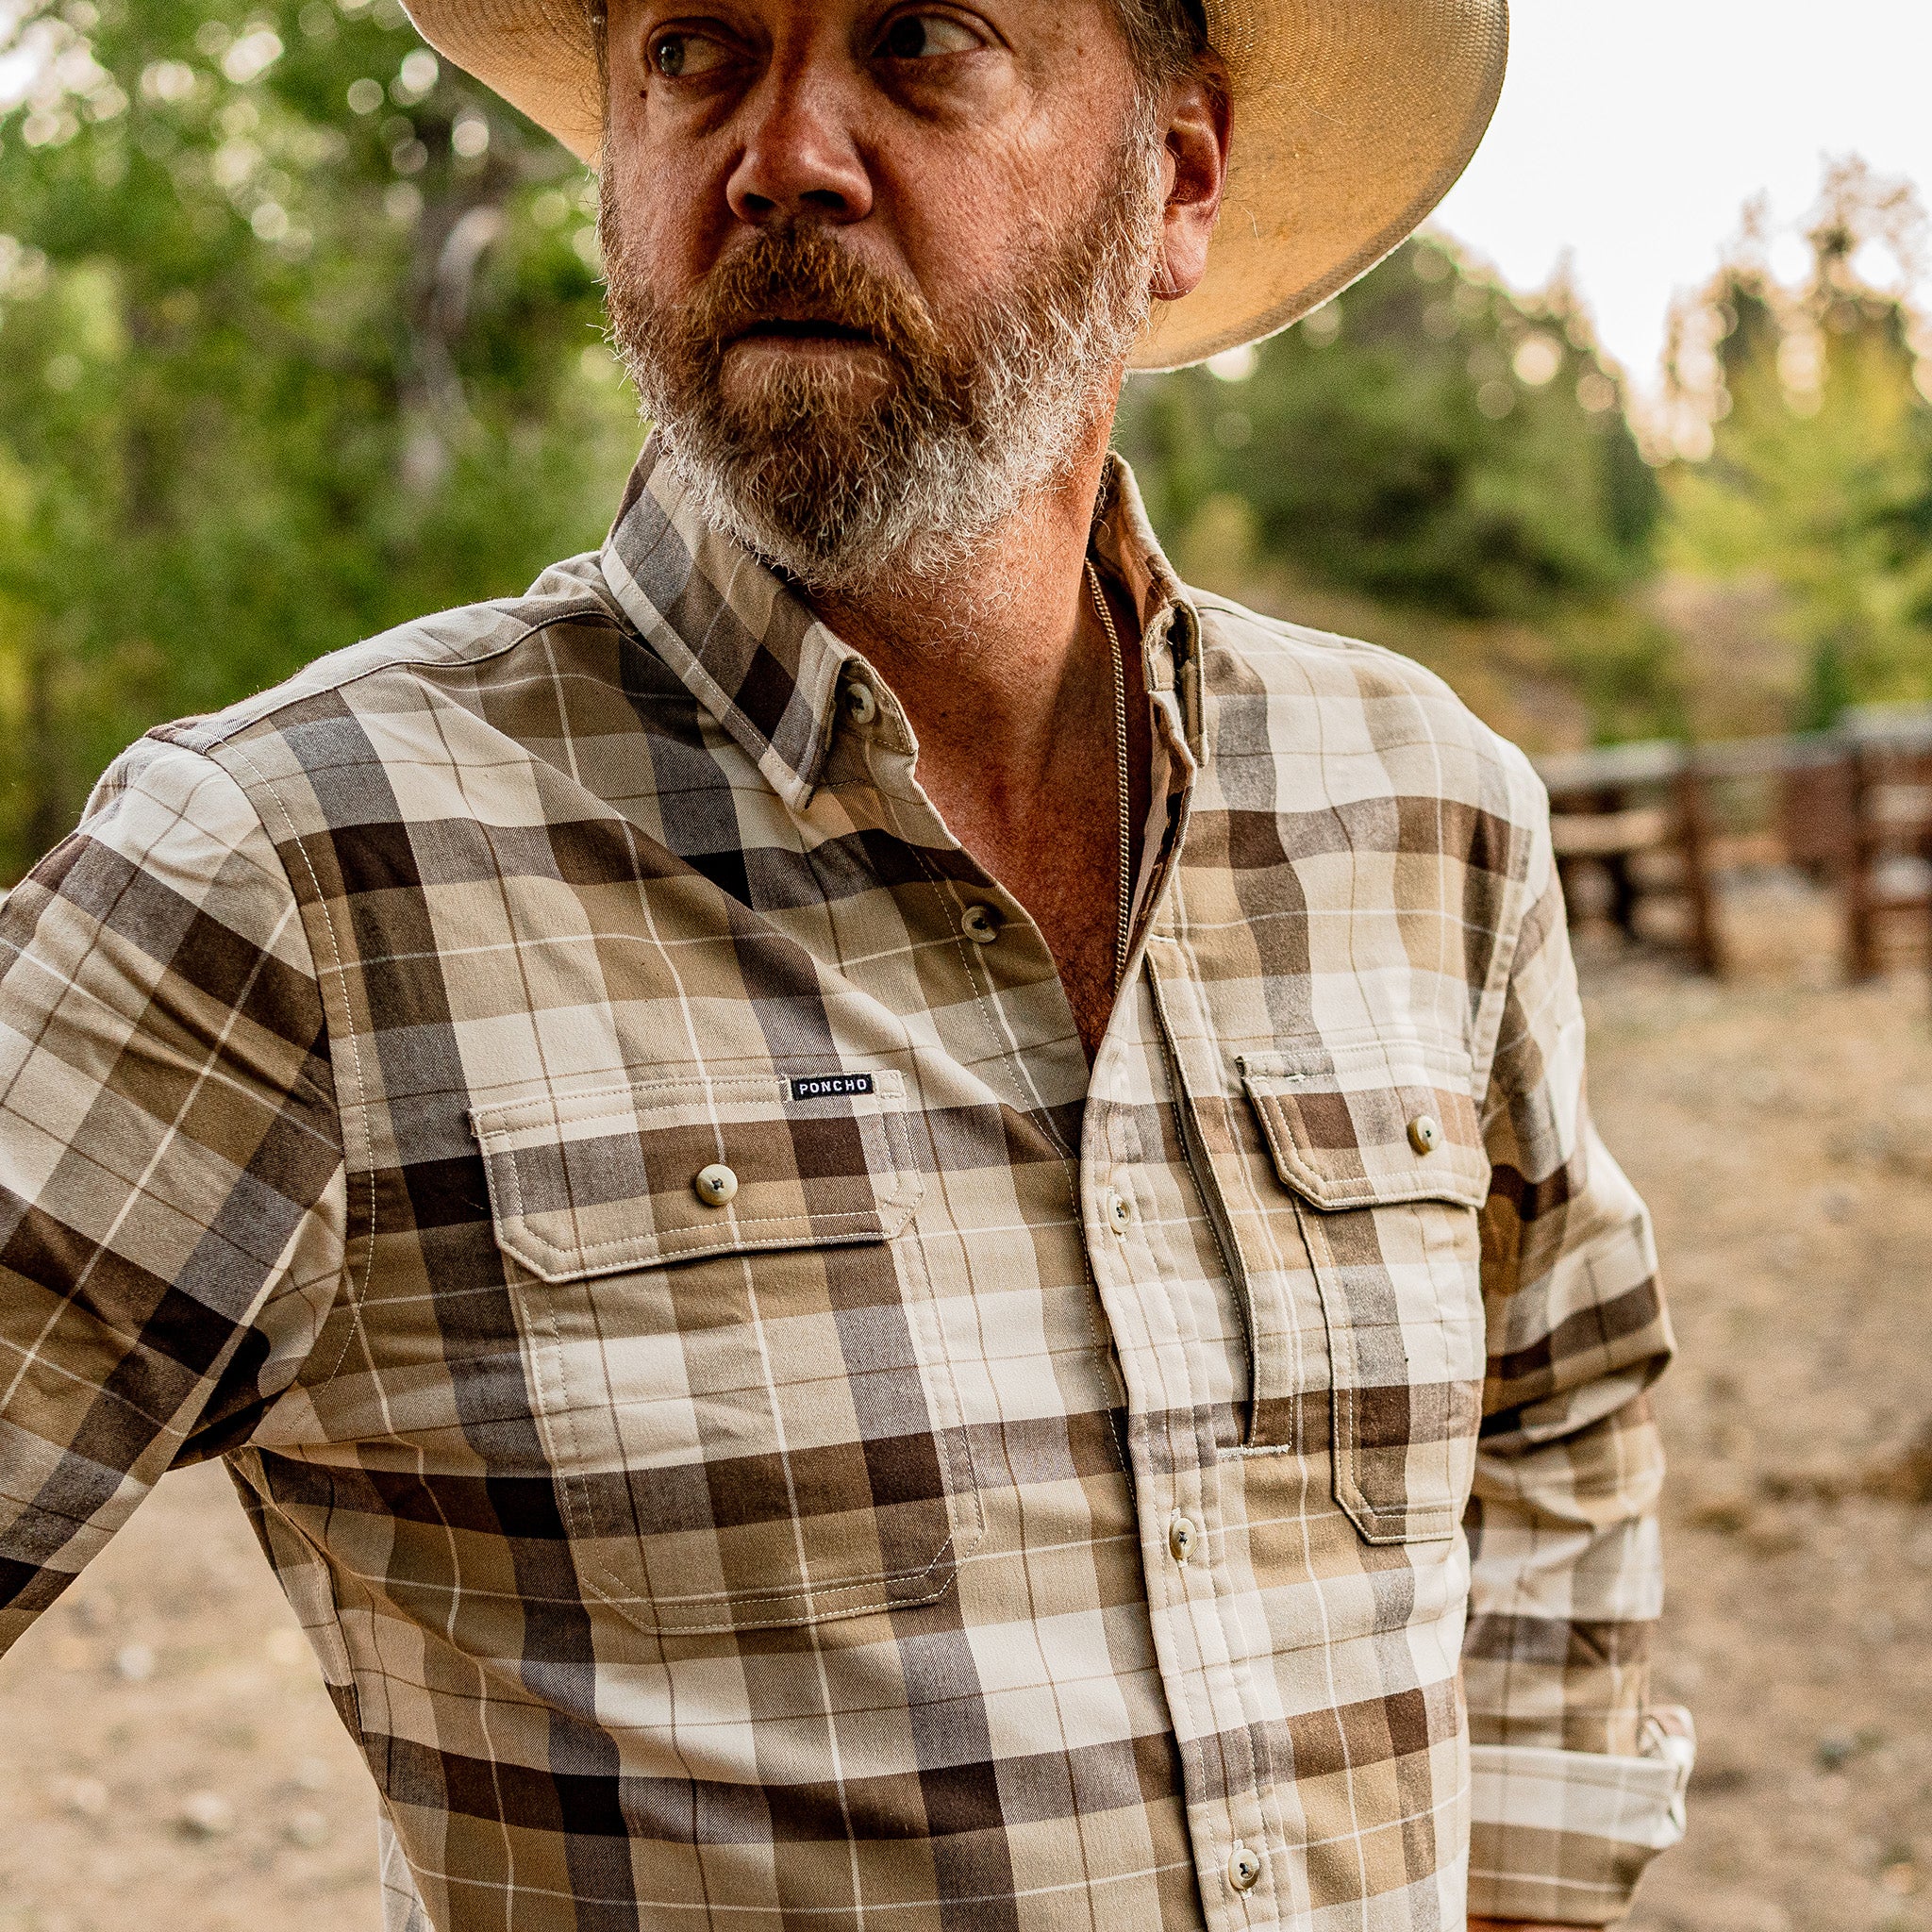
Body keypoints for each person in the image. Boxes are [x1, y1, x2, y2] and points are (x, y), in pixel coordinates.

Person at [0, 0, 1693, 1925]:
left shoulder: (1421, 810)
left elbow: (1559, 1385)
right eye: (697, 52)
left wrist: (1523, 1890)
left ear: (1180, 180)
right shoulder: (296, 869)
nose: (782, 153)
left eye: (918, 40)